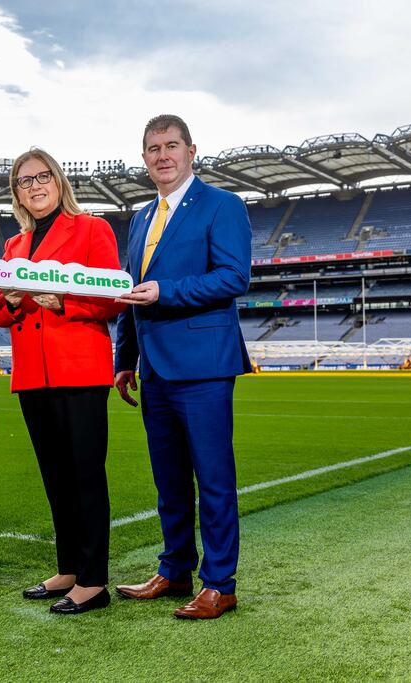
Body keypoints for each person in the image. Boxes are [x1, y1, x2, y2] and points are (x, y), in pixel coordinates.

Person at [113, 114, 252, 620]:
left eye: (172, 146)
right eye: (153, 148)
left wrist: (166, 292)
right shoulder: (141, 217)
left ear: (192, 151)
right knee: (169, 480)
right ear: (144, 157)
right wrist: (125, 358)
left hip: (205, 366)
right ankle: (174, 570)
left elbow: (235, 277)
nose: (162, 155)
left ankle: (220, 583)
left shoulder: (223, 205)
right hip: (155, 368)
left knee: (213, 479)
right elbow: (133, 291)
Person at [0, 149, 125, 615]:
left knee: (86, 474)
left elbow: (112, 299)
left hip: (79, 369)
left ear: (58, 181)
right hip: (31, 373)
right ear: (17, 193)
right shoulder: (13, 246)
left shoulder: (92, 229)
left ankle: (94, 580)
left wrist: (61, 300)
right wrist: (8, 299)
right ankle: (68, 567)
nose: (35, 186)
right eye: (25, 181)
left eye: (42, 176)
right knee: (56, 478)